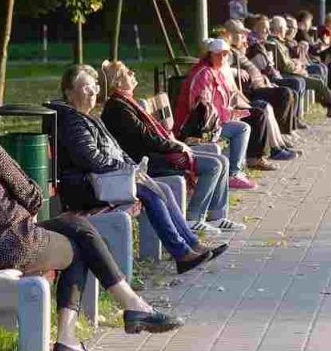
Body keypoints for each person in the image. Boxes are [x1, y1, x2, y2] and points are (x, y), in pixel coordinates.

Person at [0, 80, 183, 351]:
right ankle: (95, 323)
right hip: (7, 247)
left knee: (75, 225)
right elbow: (33, 195)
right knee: (78, 242)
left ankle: (127, 308)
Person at [50, 65, 226, 274]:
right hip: (86, 188)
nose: (92, 93)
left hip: (102, 181)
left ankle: (191, 245)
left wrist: (131, 168)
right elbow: (91, 160)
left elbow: (115, 149)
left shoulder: (87, 117)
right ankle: (181, 253)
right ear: (69, 93)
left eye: (95, 88)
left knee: (161, 188)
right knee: (150, 191)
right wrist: (127, 169)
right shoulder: (73, 122)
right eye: (86, 88)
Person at [98, 60, 246, 235]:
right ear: (117, 82)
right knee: (214, 165)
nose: (133, 74)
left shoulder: (126, 103)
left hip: (156, 153)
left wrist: (176, 145)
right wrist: (176, 146)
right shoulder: (118, 108)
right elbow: (148, 139)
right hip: (147, 160)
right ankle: (193, 218)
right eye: (128, 73)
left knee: (221, 160)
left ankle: (217, 216)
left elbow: (151, 137)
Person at [174, 39, 272, 190]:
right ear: (209, 55)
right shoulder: (203, 74)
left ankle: (239, 170)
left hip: (209, 123)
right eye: (218, 54)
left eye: (225, 54)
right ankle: (234, 174)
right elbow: (201, 109)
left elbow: (218, 104)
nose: (222, 58)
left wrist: (232, 111)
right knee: (242, 128)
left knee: (248, 121)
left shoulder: (215, 71)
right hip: (194, 129)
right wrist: (229, 114)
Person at [260, 15, 331, 118]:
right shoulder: (275, 43)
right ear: (280, 29)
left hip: (293, 70)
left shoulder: (280, 42)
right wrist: (300, 68)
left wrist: (299, 64)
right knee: (317, 81)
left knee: (318, 76)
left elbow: (290, 61)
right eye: (286, 27)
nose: (288, 30)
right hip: (287, 74)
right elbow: (285, 66)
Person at [223, 19, 303, 141]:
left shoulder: (237, 50)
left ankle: (286, 131)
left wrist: (266, 81)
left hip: (260, 85)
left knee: (288, 91)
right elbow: (223, 69)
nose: (244, 37)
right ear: (230, 34)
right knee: (284, 93)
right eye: (240, 34)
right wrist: (236, 71)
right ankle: (282, 133)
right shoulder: (228, 52)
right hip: (251, 92)